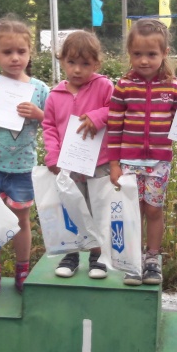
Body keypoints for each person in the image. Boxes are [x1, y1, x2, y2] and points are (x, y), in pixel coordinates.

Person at [0, 17, 49, 296]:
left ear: (30, 52)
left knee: (20, 221)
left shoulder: (40, 89)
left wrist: (38, 114)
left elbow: (53, 124)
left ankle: (22, 269)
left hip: (23, 169)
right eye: (7, 52)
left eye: (21, 51)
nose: (15, 58)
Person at [107, 19, 177, 286]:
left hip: (159, 162)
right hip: (128, 162)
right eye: (137, 53)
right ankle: (133, 260)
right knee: (133, 211)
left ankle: (152, 259)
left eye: (151, 54)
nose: (144, 60)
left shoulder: (173, 87)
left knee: (153, 210)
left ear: (164, 53)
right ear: (129, 53)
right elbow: (114, 127)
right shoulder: (124, 86)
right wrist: (114, 164)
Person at [42, 30, 113, 279]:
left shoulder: (104, 86)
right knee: (70, 207)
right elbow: (49, 126)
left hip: (99, 163)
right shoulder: (55, 95)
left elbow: (116, 109)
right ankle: (70, 254)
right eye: (71, 62)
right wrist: (53, 155)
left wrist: (97, 116)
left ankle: (97, 256)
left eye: (85, 64)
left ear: (96, 64)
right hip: (67, 165)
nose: (77, 70)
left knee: (97, 209)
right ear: (62, 60)